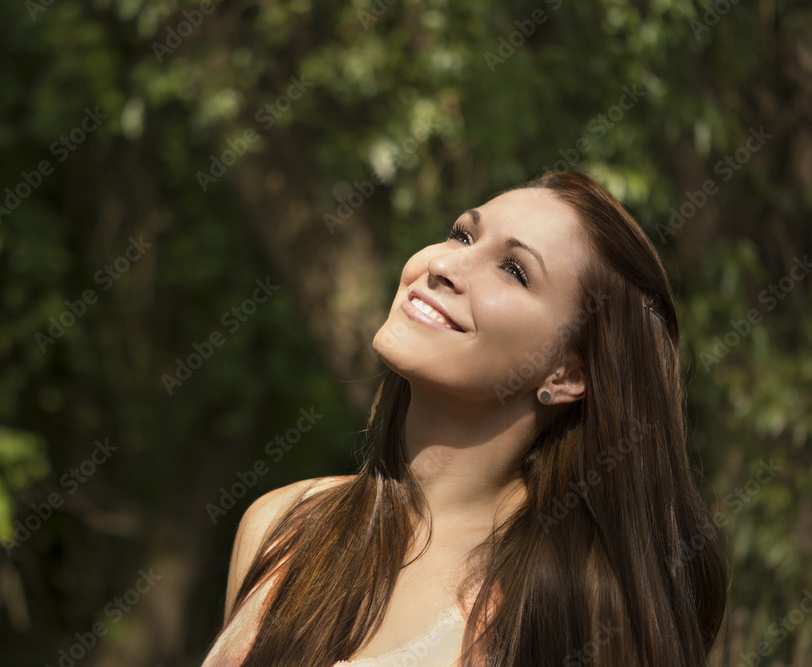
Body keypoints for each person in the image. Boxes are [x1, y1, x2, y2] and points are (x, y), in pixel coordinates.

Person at [201, 170, 728, 667]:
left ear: (568, 374)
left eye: (514, 270)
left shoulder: (582, 602)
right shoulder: (283, 526)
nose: (444, 265)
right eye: (462, 236)